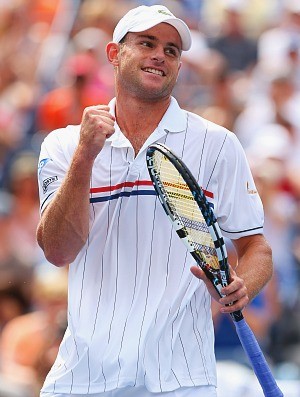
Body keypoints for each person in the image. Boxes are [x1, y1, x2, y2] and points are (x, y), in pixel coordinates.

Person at [36, 5, 273, 397]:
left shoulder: (218, 145)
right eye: (147, 43)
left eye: (172, 50)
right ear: (115, 54)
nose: (160, 55)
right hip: (82, 378)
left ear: (178, 67)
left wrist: (242, 284)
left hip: (181, 380)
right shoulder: (64, 144)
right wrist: (84, 157)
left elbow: (255, 246)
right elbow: (58, 251)